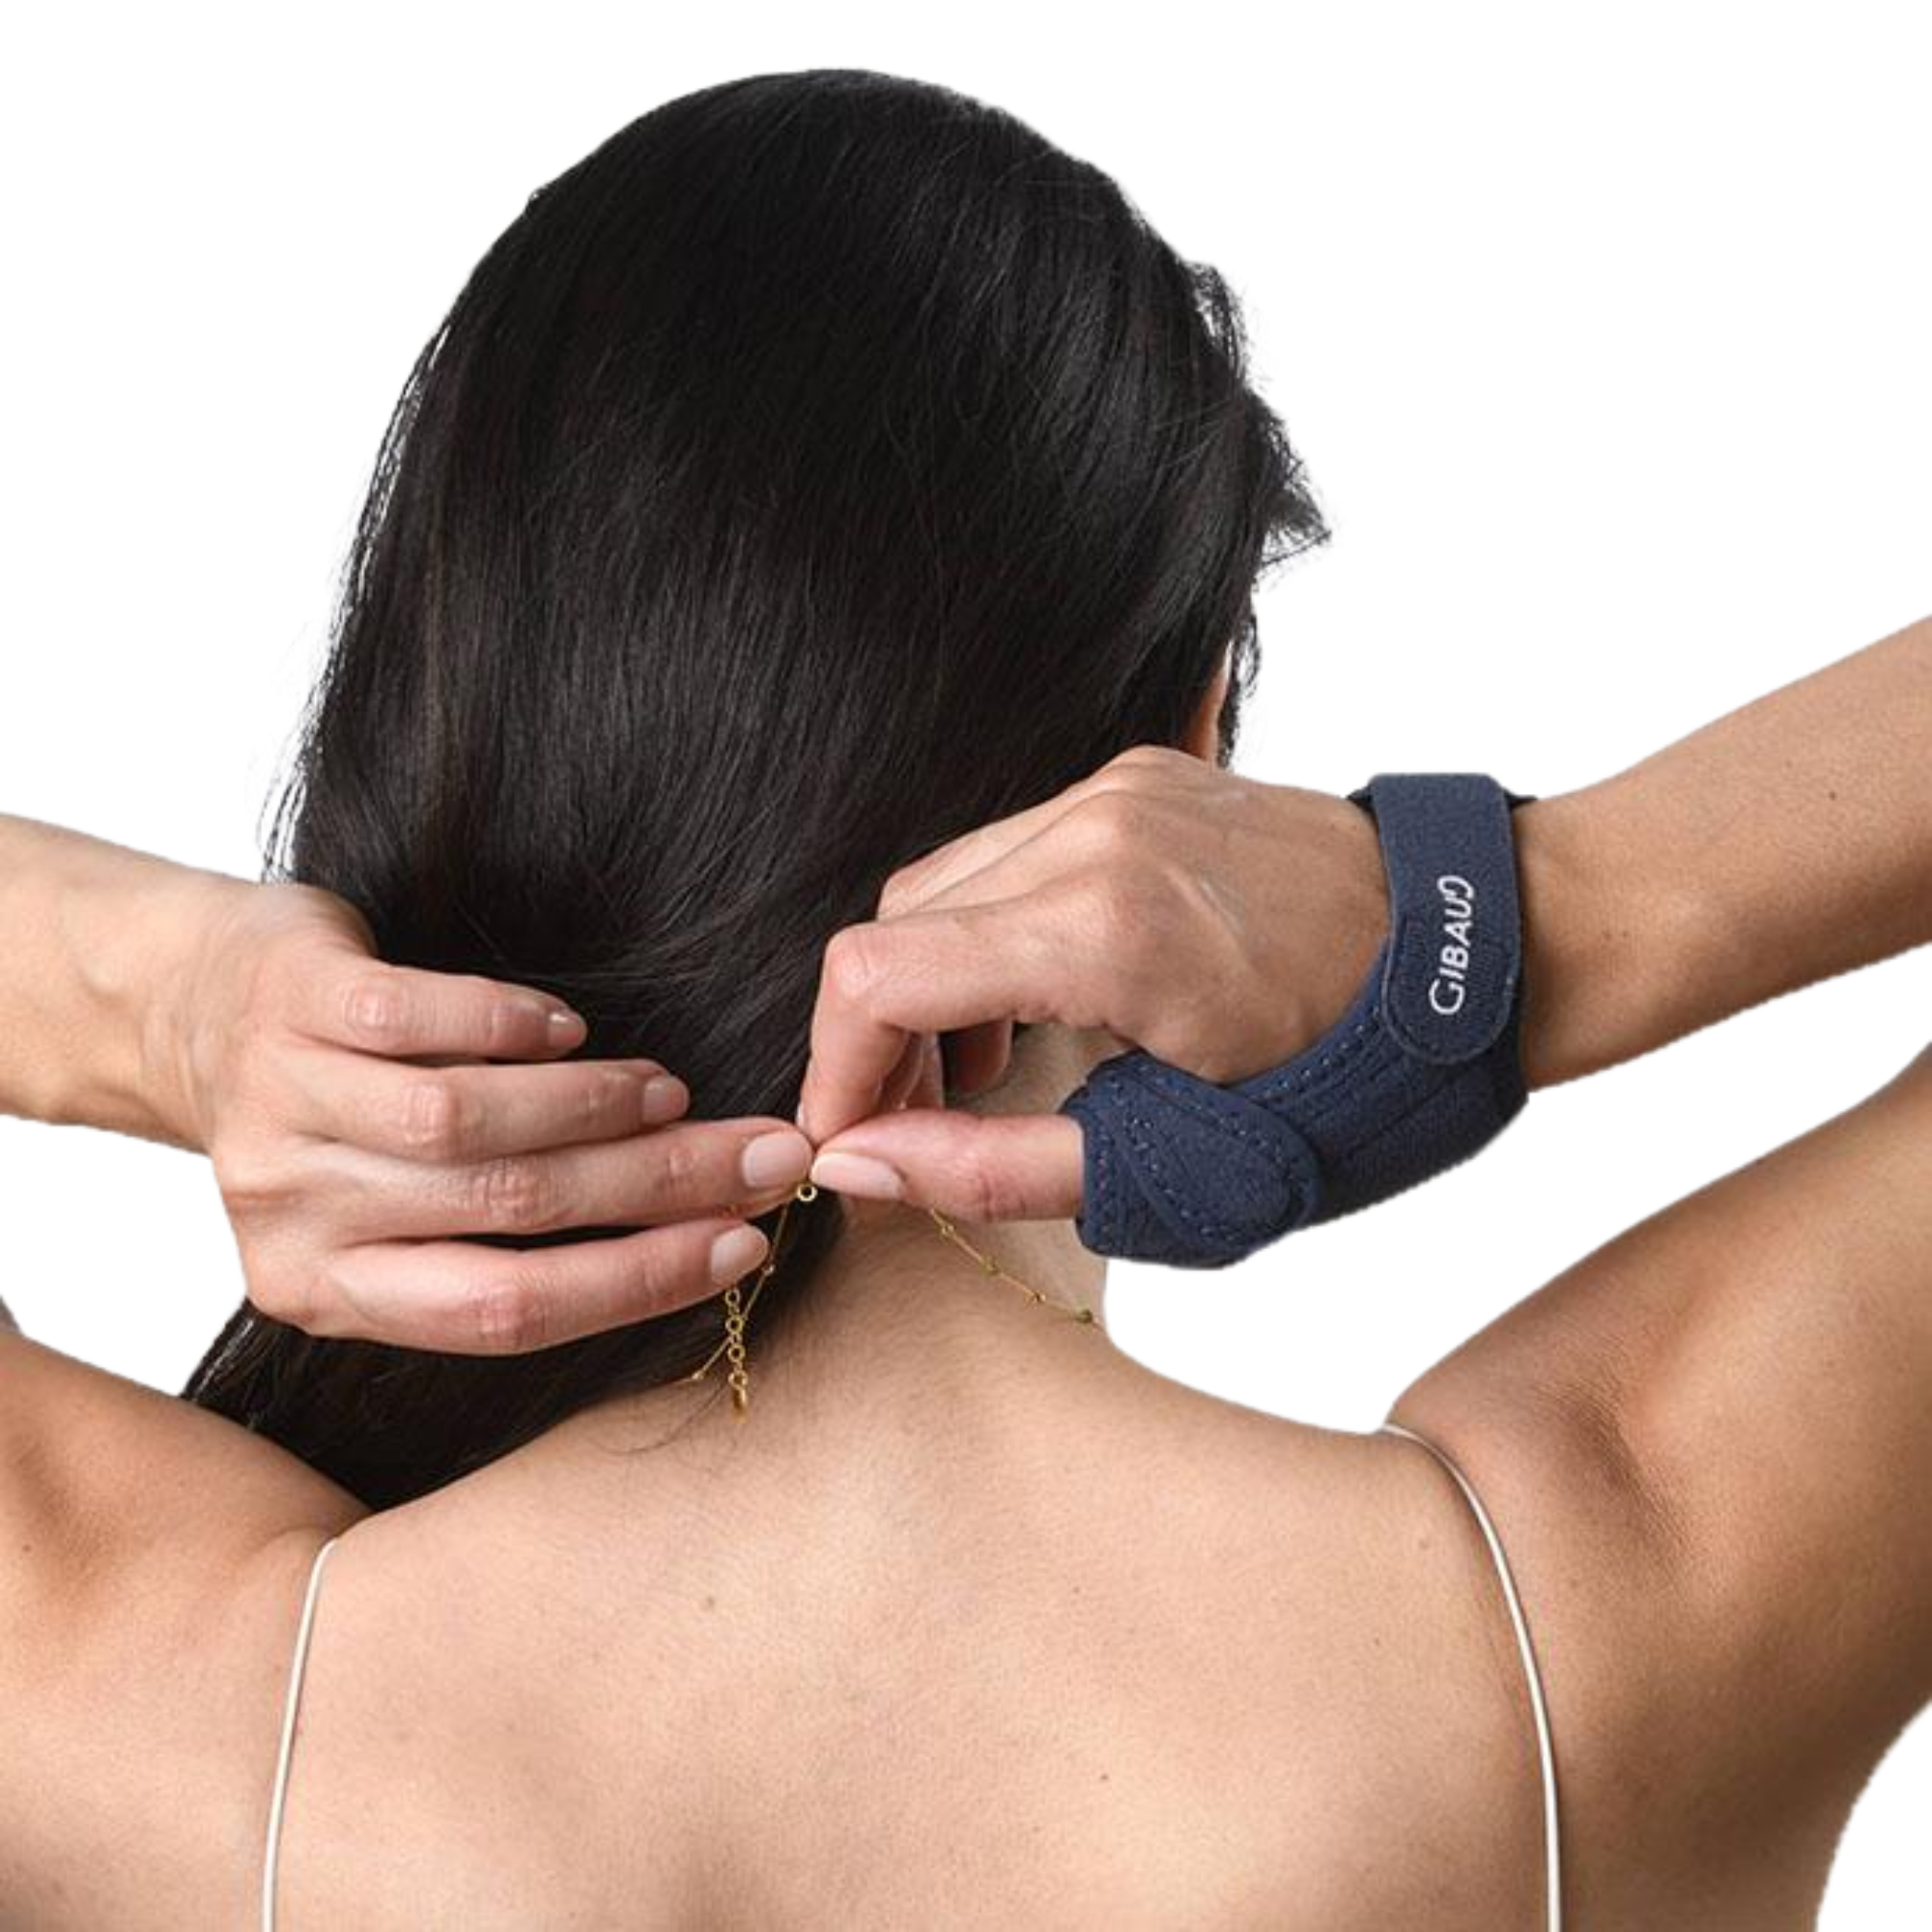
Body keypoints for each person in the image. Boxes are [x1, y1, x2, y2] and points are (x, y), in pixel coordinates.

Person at [0, 66, 1925, 1931]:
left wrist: (163, 1006)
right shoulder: (1584, 1629)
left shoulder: (146, 1698)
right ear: (1189, 758)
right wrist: (1500, 918)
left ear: (447, 733)